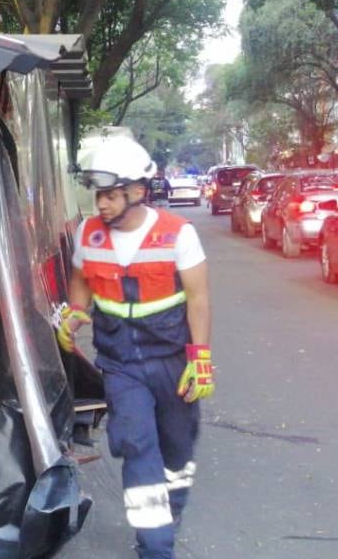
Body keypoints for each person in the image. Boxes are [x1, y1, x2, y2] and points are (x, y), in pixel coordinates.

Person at [56, 138, 214, 559]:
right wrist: (74, 312)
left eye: (110, 195)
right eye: (98, 195)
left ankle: (172, 507)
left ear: (137, 192)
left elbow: (198, 298)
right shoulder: (88, 234)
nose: (101, 204)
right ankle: (155, 547)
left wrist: (200, 359)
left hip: (173, 363)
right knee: (137, 445)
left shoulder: (178, 235)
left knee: (177, 449)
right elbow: (80, 280)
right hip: (121, 365)